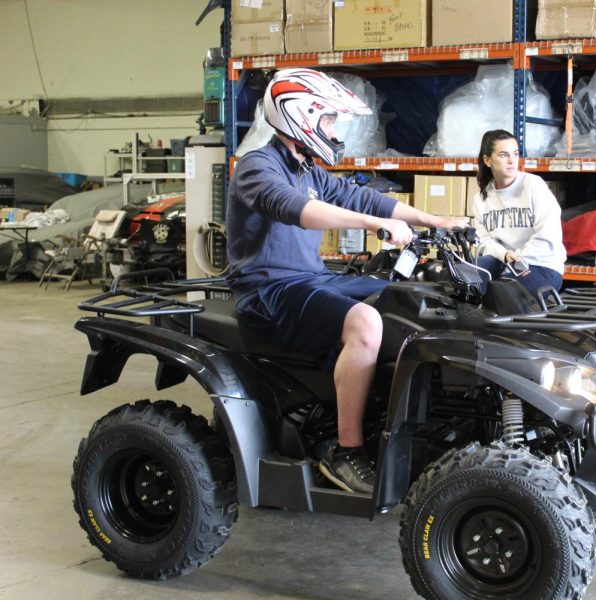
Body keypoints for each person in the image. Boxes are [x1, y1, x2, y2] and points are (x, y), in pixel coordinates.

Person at [226, 68, 461, 494]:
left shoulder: (307, 168)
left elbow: (361, 196)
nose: (334, 130)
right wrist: (374, 224)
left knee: (404, 298)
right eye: (330, 120)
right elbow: (297, 210)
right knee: (366, 323)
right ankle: (345, 449)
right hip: (267, 290)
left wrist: (435, 219)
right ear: (300, 116)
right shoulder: (256, 167)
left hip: (310, 280)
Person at [473, 129, 567, 299]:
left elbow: (548, 235)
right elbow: (484, 241)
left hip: (541, 264)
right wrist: (504, 255)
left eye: (515, 154)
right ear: (487, 160)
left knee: (502, 292)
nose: (511, 161)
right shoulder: (481, 198)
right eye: (503, 155)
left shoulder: (534, 186)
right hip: (503, 261)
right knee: (466, 277)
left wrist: (518, 258)